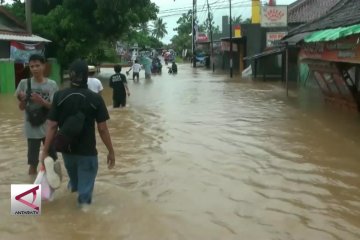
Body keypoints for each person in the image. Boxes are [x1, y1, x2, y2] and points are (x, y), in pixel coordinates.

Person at [40, 59, 115, 208]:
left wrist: (45, 151)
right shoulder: (95, 98)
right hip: (87, 153)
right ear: (87, 75)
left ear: (71, 75)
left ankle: (68, 217)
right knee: (85, 195)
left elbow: (52, 126)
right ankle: (82, 223)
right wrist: (111, 151)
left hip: (67, 153)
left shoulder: (59, 96)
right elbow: (102, 129)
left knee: (74, 185)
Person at [15, 54, 58, 175]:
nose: (34, 69)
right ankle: (32, 188)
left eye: (37, 65)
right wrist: (23, 100)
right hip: (31, 129)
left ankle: (52, 189)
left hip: (49, 128)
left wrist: (42, 101)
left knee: (52, 161)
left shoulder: (52, 84)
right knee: (32, 163)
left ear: (44, 66)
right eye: (31, 66)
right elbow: (21, 108)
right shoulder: (24, 83)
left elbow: (55, 108)